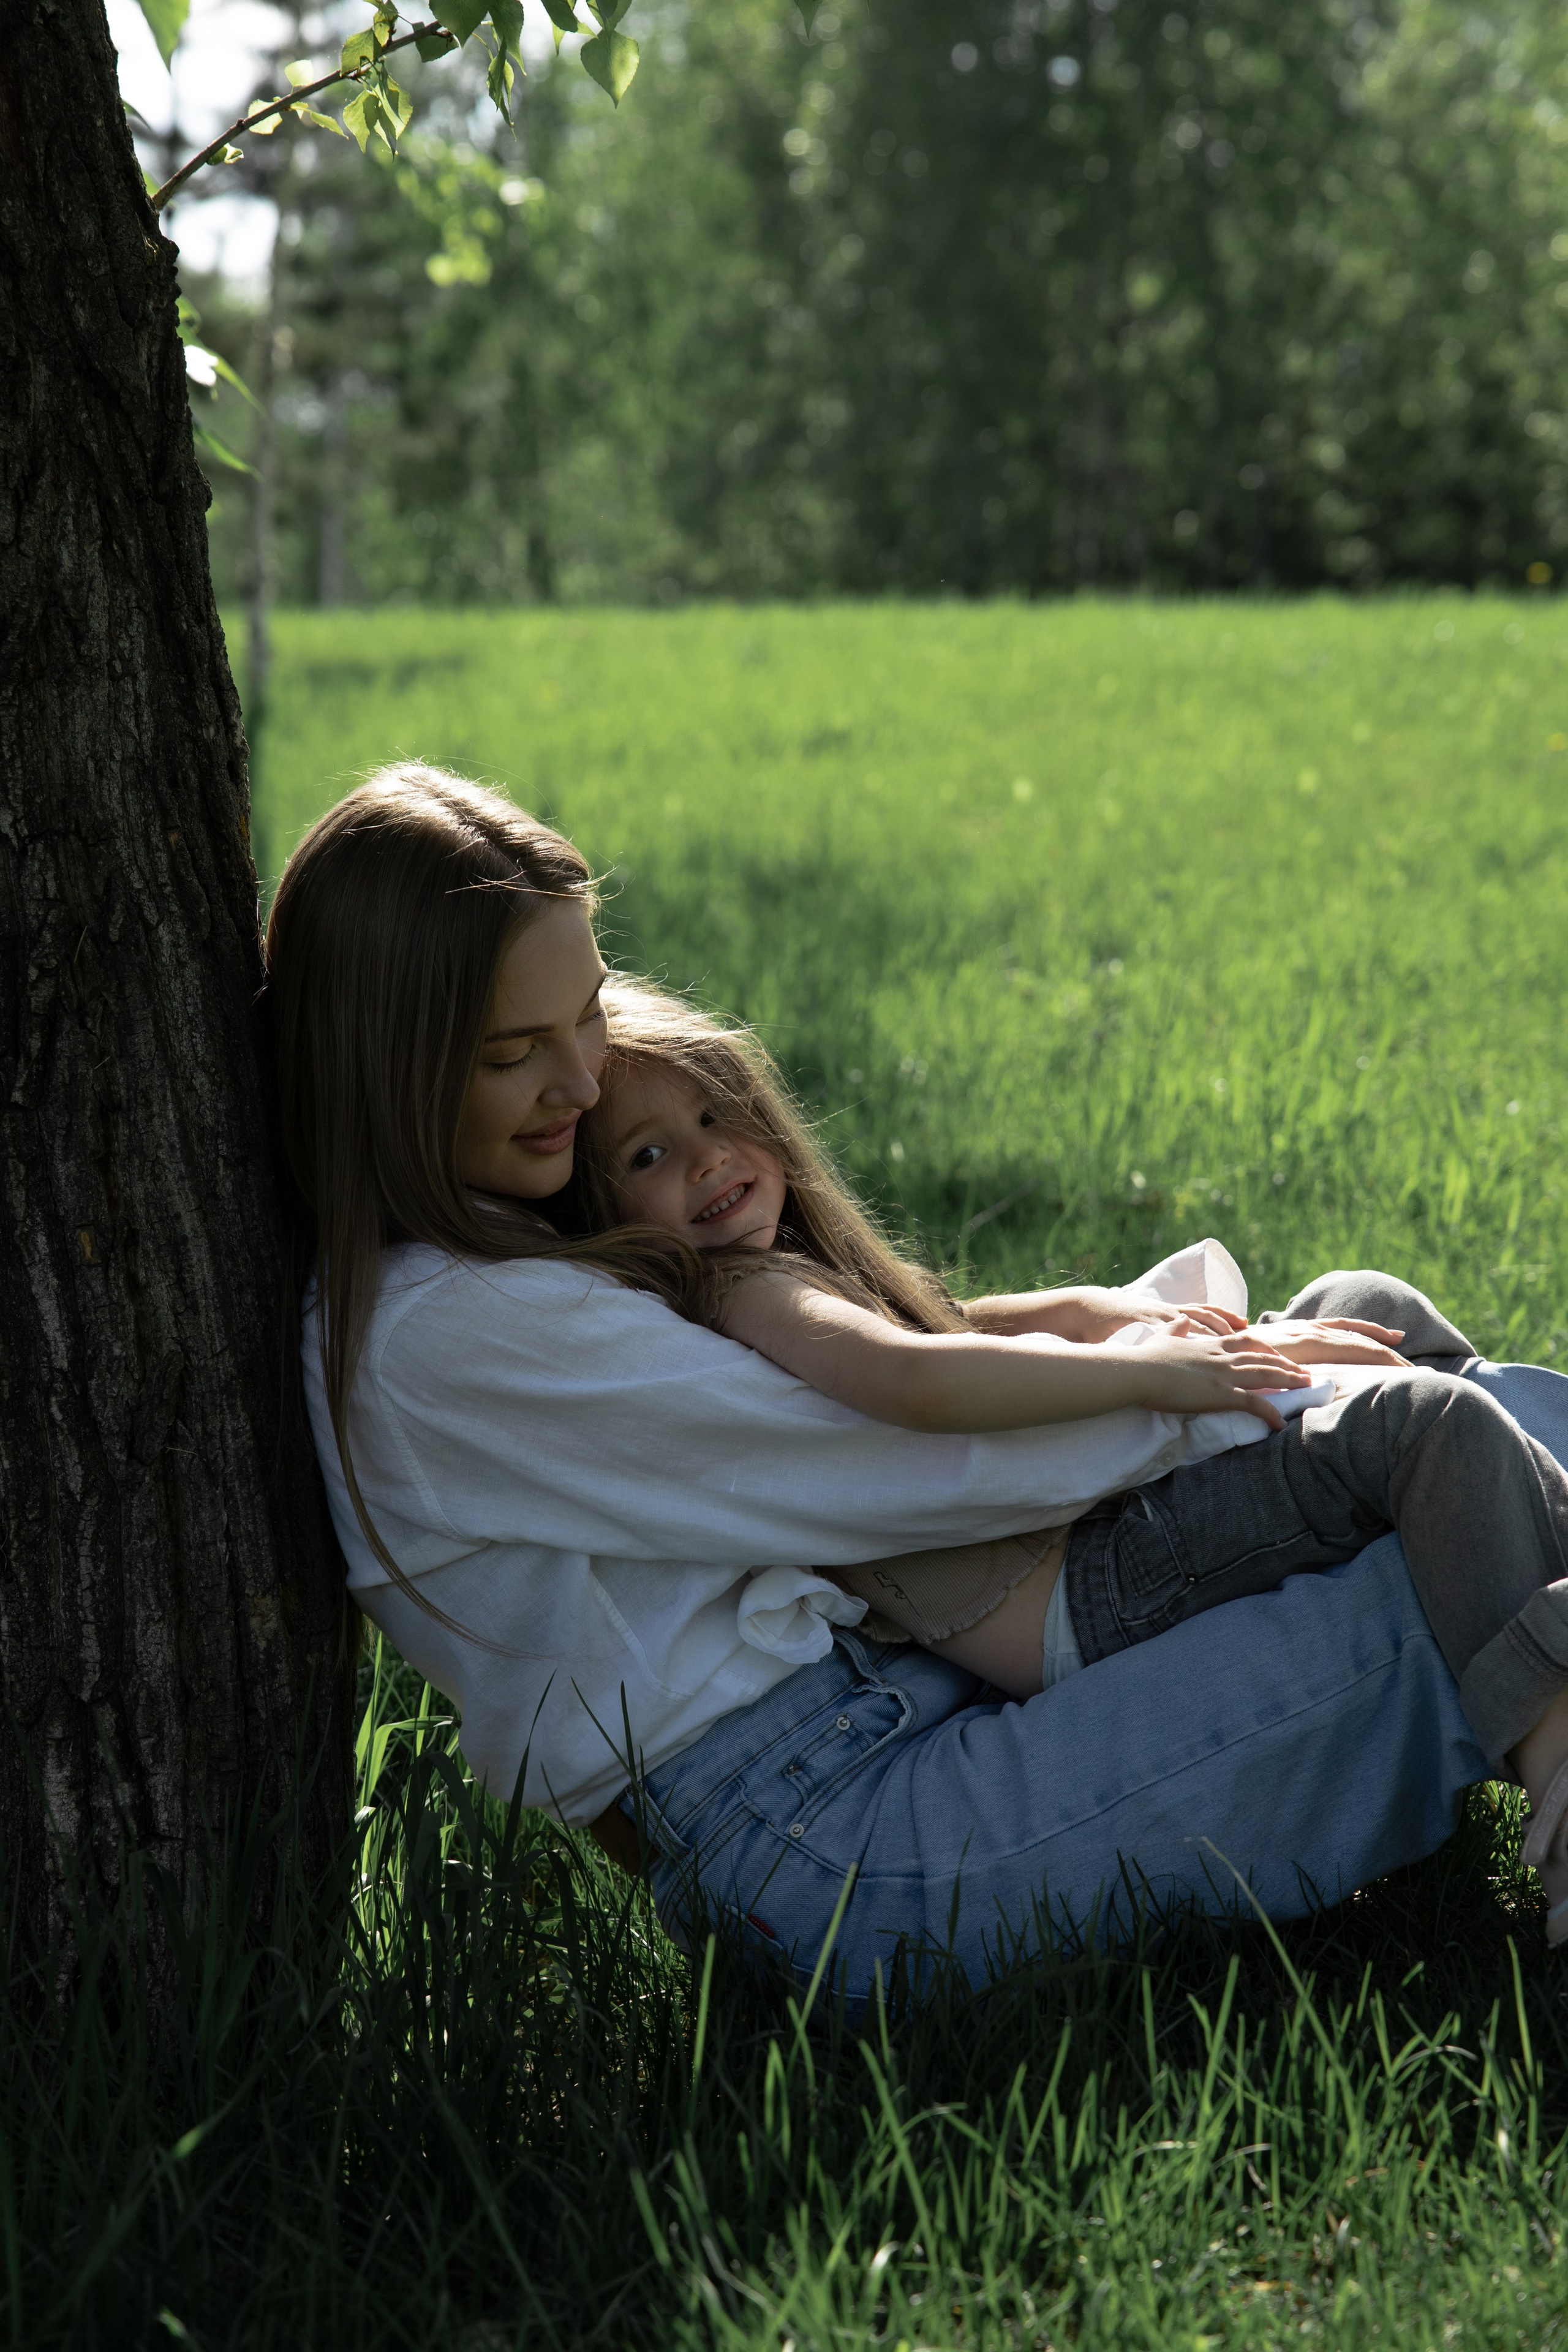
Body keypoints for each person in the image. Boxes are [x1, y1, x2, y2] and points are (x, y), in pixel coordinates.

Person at [267, 764, 1568, 1989]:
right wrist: (1235, 1389)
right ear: (389, 1064)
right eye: (513, 1053)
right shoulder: (447, 1338)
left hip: (914, 1692)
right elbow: (888, 1448)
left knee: (1404, 1386)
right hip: (849, 1839)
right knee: (1442, 1527)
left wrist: (1196, 1351)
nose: (581, 1078)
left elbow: (918, 1351)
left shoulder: (518, 1232)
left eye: (591, 1010)